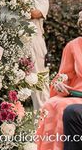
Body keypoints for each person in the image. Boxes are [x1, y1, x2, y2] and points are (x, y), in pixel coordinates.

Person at [36, 12, 82, 150]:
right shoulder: (73, 46)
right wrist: (59, 84)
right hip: (76, 93)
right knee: (51, 105)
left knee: (66, 109)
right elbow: (63, 76)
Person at [21, 0, 50, 110]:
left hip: (35, 43)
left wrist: (17, 1)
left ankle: (45, 126)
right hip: (15, 43)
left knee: (40, 85)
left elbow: (35, 13)